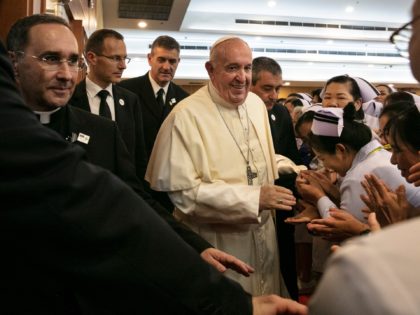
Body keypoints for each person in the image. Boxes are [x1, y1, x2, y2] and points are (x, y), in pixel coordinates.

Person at [0, 17, 308, 315]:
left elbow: (136, 204)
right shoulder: (187, 114)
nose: (67, 74)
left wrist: (192, 246)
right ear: (13, 61)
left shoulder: (101, 131)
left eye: (72, 61)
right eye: (51, 59)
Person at [146, 36, 297, 296]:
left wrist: (296, 170)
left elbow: (257, 160)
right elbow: (183, 194)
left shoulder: (256, 104)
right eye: (232, 68)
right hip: (217, 240)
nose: (242, 77)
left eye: (247, 68)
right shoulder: (186, 115)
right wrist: (253, 198)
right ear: (210, 70)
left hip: (263, 236)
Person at [309, 99, 420, 315]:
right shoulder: (375, 155)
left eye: (398, 150)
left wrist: (317, 196)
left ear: (341, 150)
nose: (394, 161)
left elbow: (341, 227)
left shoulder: (361, 174)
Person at [250, 56, 301, 300]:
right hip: (250, 204)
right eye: (267, 88)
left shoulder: (280, 113)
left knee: (284, 258)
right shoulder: (237, 113)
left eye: (278, 88)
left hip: (280, 203)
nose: (274, 95)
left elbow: (290, 156)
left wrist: (290, 199)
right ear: (250, 85)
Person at [70, 29, 148, 181]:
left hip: (123, 192)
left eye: (125, 58)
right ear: (92, 58)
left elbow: (139, 155)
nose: (123, 66)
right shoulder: (70, 98)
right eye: (115, 58)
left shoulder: (131, 101)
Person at [118, 35, 189, 158]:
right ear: (150, 59)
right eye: (161, 60)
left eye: (172, 61)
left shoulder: (184, 99)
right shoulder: (125, 90)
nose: (167, 67)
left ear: (178, 62)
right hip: (134, 170)